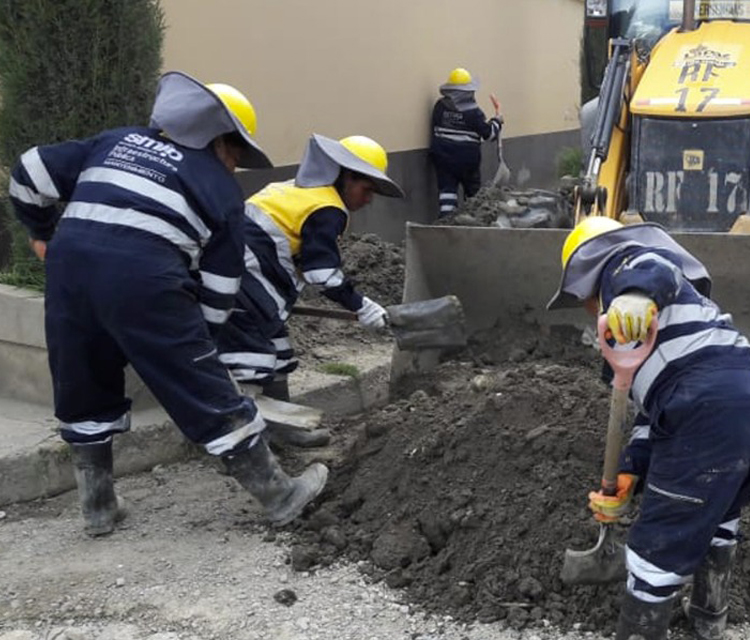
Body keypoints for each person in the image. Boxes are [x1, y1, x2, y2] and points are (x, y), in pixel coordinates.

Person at [7, 71, 327, 536]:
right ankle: (280, 495)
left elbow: (29, 171)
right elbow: (220, 288)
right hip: (145, 275)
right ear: (218, 139)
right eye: (237, 151)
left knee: (84, 379)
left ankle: (98, 510)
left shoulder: (116, 141)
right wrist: (202, 347)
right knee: (205, 390)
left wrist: (41, 232)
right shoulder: (220, 192)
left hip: (69, 272)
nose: (235, 165)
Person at [547, 217, 750, 640]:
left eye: (583, 297)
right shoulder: (652, 337)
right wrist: (629, 470)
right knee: (719, 515)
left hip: (709, 410)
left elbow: (652, 263)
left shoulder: (626, 264)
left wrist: (635, 295)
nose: (588, 308)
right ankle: (708, 620)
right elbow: (653, 420)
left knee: (656, 544)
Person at [217, 134, 405, 447]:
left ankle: (280, 431)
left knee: (278, 355)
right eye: (366, 189)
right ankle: (239, 445)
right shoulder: (327, 208)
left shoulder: (293, 189)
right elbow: (323, 274)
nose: (368, 199)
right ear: (344, 177)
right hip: (242, 286)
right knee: (251, 364)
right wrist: (362, 306)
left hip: (238, 280)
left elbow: (298, 256)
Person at [429, 67, 502, 218]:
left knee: (447, 192)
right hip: (467, 160)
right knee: (472, 192)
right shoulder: (473, 112)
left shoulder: (440, 106)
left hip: (443, 158)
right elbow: (489, 135)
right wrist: (497, 121)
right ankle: (472, 221)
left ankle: (446, 224)